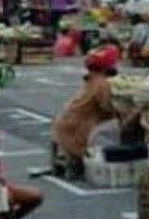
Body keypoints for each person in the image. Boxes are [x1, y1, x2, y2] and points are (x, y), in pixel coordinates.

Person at [51, 44, 120, 178]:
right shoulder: (102, 84)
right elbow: (107, 108)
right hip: (77, 129)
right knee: (117, 125)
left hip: (63, 123)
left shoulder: (90, 79)